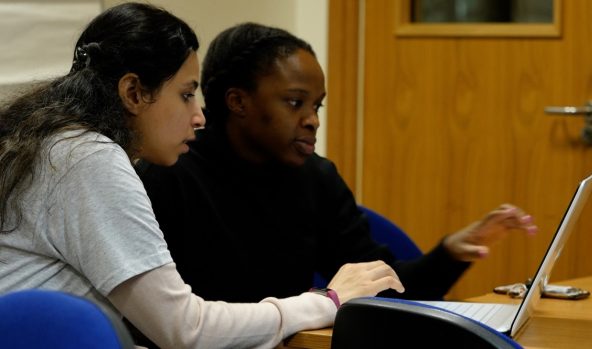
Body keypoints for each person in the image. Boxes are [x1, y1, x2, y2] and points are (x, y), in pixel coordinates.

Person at [0, 4, 405, 349]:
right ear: (133, 93)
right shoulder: (87, 158)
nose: (198, 115)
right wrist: (329, 301)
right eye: (186, 93)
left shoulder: (52, 143)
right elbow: (186, 330)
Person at [137, 22, 538, 305]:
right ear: (238, 102)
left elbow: (387, 289)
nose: (313, 119)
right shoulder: (171, 174)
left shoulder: (316, 177)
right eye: (295, 103)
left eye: (317, 105)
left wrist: (451, 252)